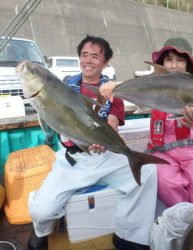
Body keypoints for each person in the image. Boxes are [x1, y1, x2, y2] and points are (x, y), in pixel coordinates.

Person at [27, 35, 157, 250]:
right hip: (72, 161)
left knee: (149, 172)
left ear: (105, 63)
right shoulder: (63, 86)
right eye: (84, 55)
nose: (88, 60)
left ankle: (128, 234)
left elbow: (113, 123)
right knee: (43, 211)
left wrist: (106, 140)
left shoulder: (113, 91)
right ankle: (41, 231)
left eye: (95, 56)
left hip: (105, 155)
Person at [100, 37, 193, 208]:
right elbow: (137, 86)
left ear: (188, 64)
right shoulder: (155, 83)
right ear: (163, 63)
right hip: (162, 152)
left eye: (180, 60)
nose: (174, 65)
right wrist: (114, 86)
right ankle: (185, 214)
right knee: (167, 185)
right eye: (169, 59)